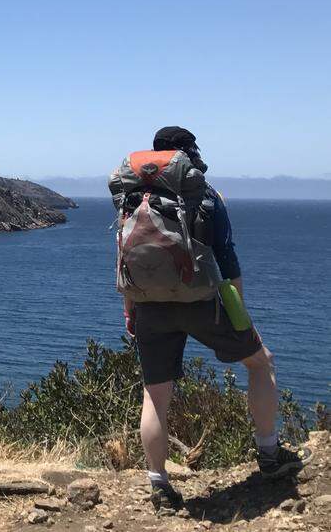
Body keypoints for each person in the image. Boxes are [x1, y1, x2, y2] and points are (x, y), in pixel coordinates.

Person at [112, 126, 311, 512]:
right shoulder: (204, 195)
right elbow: (227, 257)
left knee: (155, 394)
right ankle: (269, 453)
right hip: (203, 299)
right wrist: (239, 310)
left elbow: (124, 256)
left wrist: (130, 312)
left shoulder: (131, 198)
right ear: (187, 155)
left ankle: (159, 484)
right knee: (260, 361)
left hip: (148, 304)